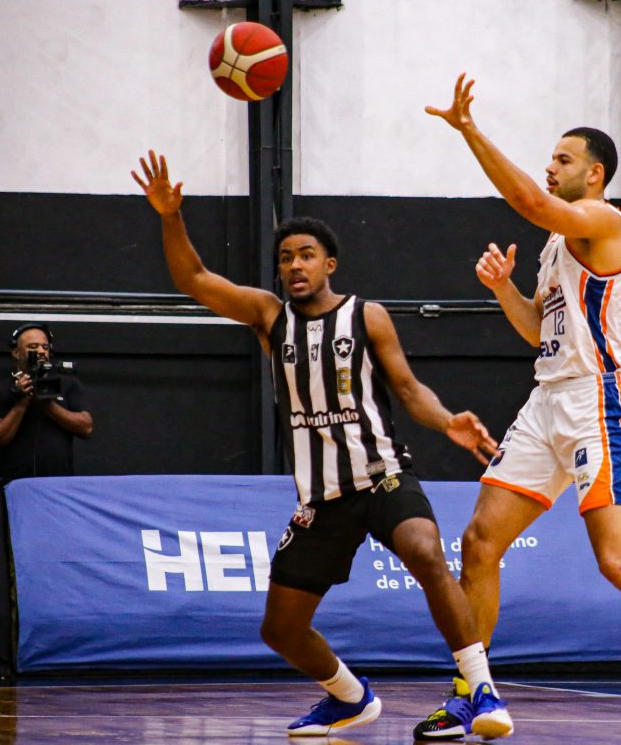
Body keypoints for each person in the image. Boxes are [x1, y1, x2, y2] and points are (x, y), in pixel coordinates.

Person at [131, 151, 513, 740]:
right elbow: (194, 280)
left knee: (426, 551)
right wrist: (169, 216)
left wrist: (447, 422)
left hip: (381, 476)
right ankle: (349, 697)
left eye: (306, 254)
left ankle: (480, 688)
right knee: (280, 630)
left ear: (328, 263)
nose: (294, 265)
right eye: (285, 257)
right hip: (322, 498)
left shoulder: (368, 317)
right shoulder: (269, 317)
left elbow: (408, 389)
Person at [423, 74, 621, 743]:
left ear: (595, 173)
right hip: (546, 399)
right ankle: (472, 691)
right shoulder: (556, 245)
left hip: (596, 400)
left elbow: (526, 199)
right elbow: (536, 331)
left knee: (617, 561)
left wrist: (470, 131)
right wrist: (504, 290)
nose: (551, 166)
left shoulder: (603, 221)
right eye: (550, 158)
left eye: (563, 159)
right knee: (480, 541)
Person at [0, 323, 93, 479]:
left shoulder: (67, 384)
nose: (41, 351)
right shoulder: (1, 390)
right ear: (16, 352)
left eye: (45, 347)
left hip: (59, 482)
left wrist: (47, 405)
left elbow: (86, 427)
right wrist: (21, 404)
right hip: (16, 481)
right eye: (33, 347)